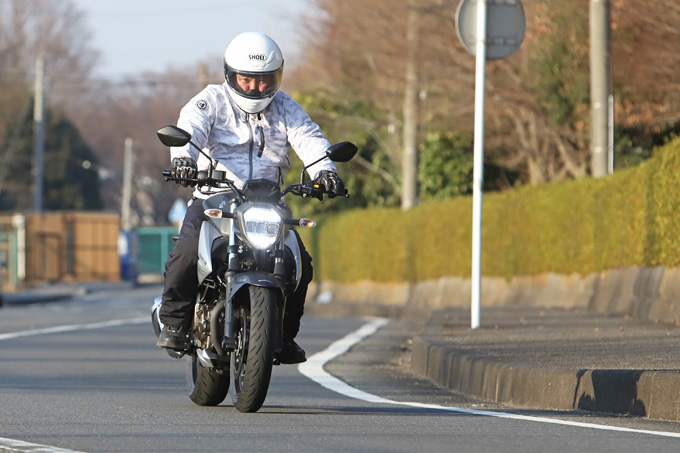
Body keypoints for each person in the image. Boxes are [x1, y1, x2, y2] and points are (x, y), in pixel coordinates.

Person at [156, 32, 346, 364]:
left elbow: (309, 138)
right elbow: (190, 128)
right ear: (231, 74)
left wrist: (324, 172)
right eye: (247, 79)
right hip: (214, 199)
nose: (256, 87)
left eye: (264, 80)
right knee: (185, 253)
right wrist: (182, 161)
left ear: (277, 77)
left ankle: (284, 337)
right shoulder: (211, 100)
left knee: (300, 265)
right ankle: (173, 323)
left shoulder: (286, 106)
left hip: (267, 203)